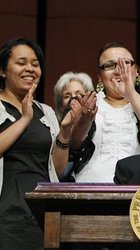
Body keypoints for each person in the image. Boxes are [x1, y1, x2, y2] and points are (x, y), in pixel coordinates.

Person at [0, 38, 81, 249]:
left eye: (35, 64)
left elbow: (58, 169)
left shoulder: (45, 111)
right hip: (6, 209)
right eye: (21, 62)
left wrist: (64, 133)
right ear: (2, 71)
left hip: (42, 209)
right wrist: (24, 119)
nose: (30, 69)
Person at [70, 41, 140, 183]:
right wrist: (85, 121)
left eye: (125, 63)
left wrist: (130, 93)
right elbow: (71, 145)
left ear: (136, 71)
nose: (118, 70)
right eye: (109, 65)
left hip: (139, 187)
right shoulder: (85, 102)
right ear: (99, 77)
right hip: (90, 186)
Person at [53, 71, 94, 181]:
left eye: (79, 94)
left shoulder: (96, 127)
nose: (73, 99)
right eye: (67, 95)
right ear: (60, 105)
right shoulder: (53, 128)